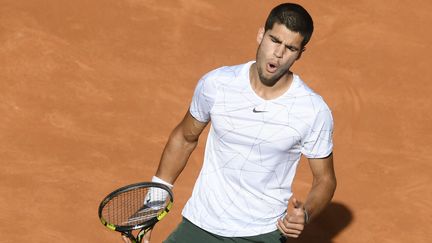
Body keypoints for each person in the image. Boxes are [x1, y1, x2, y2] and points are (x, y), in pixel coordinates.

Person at [123, 2, 336, 243]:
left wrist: (305, 214)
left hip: (261, 233)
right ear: (260, 35)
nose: (278, 53)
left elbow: (325, 179)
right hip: (201, 224)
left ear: (300, 53)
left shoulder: (312, 110)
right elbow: (184, 138)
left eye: (290, 48)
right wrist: (152, 207)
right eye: (274, 40)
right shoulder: (217, 84)